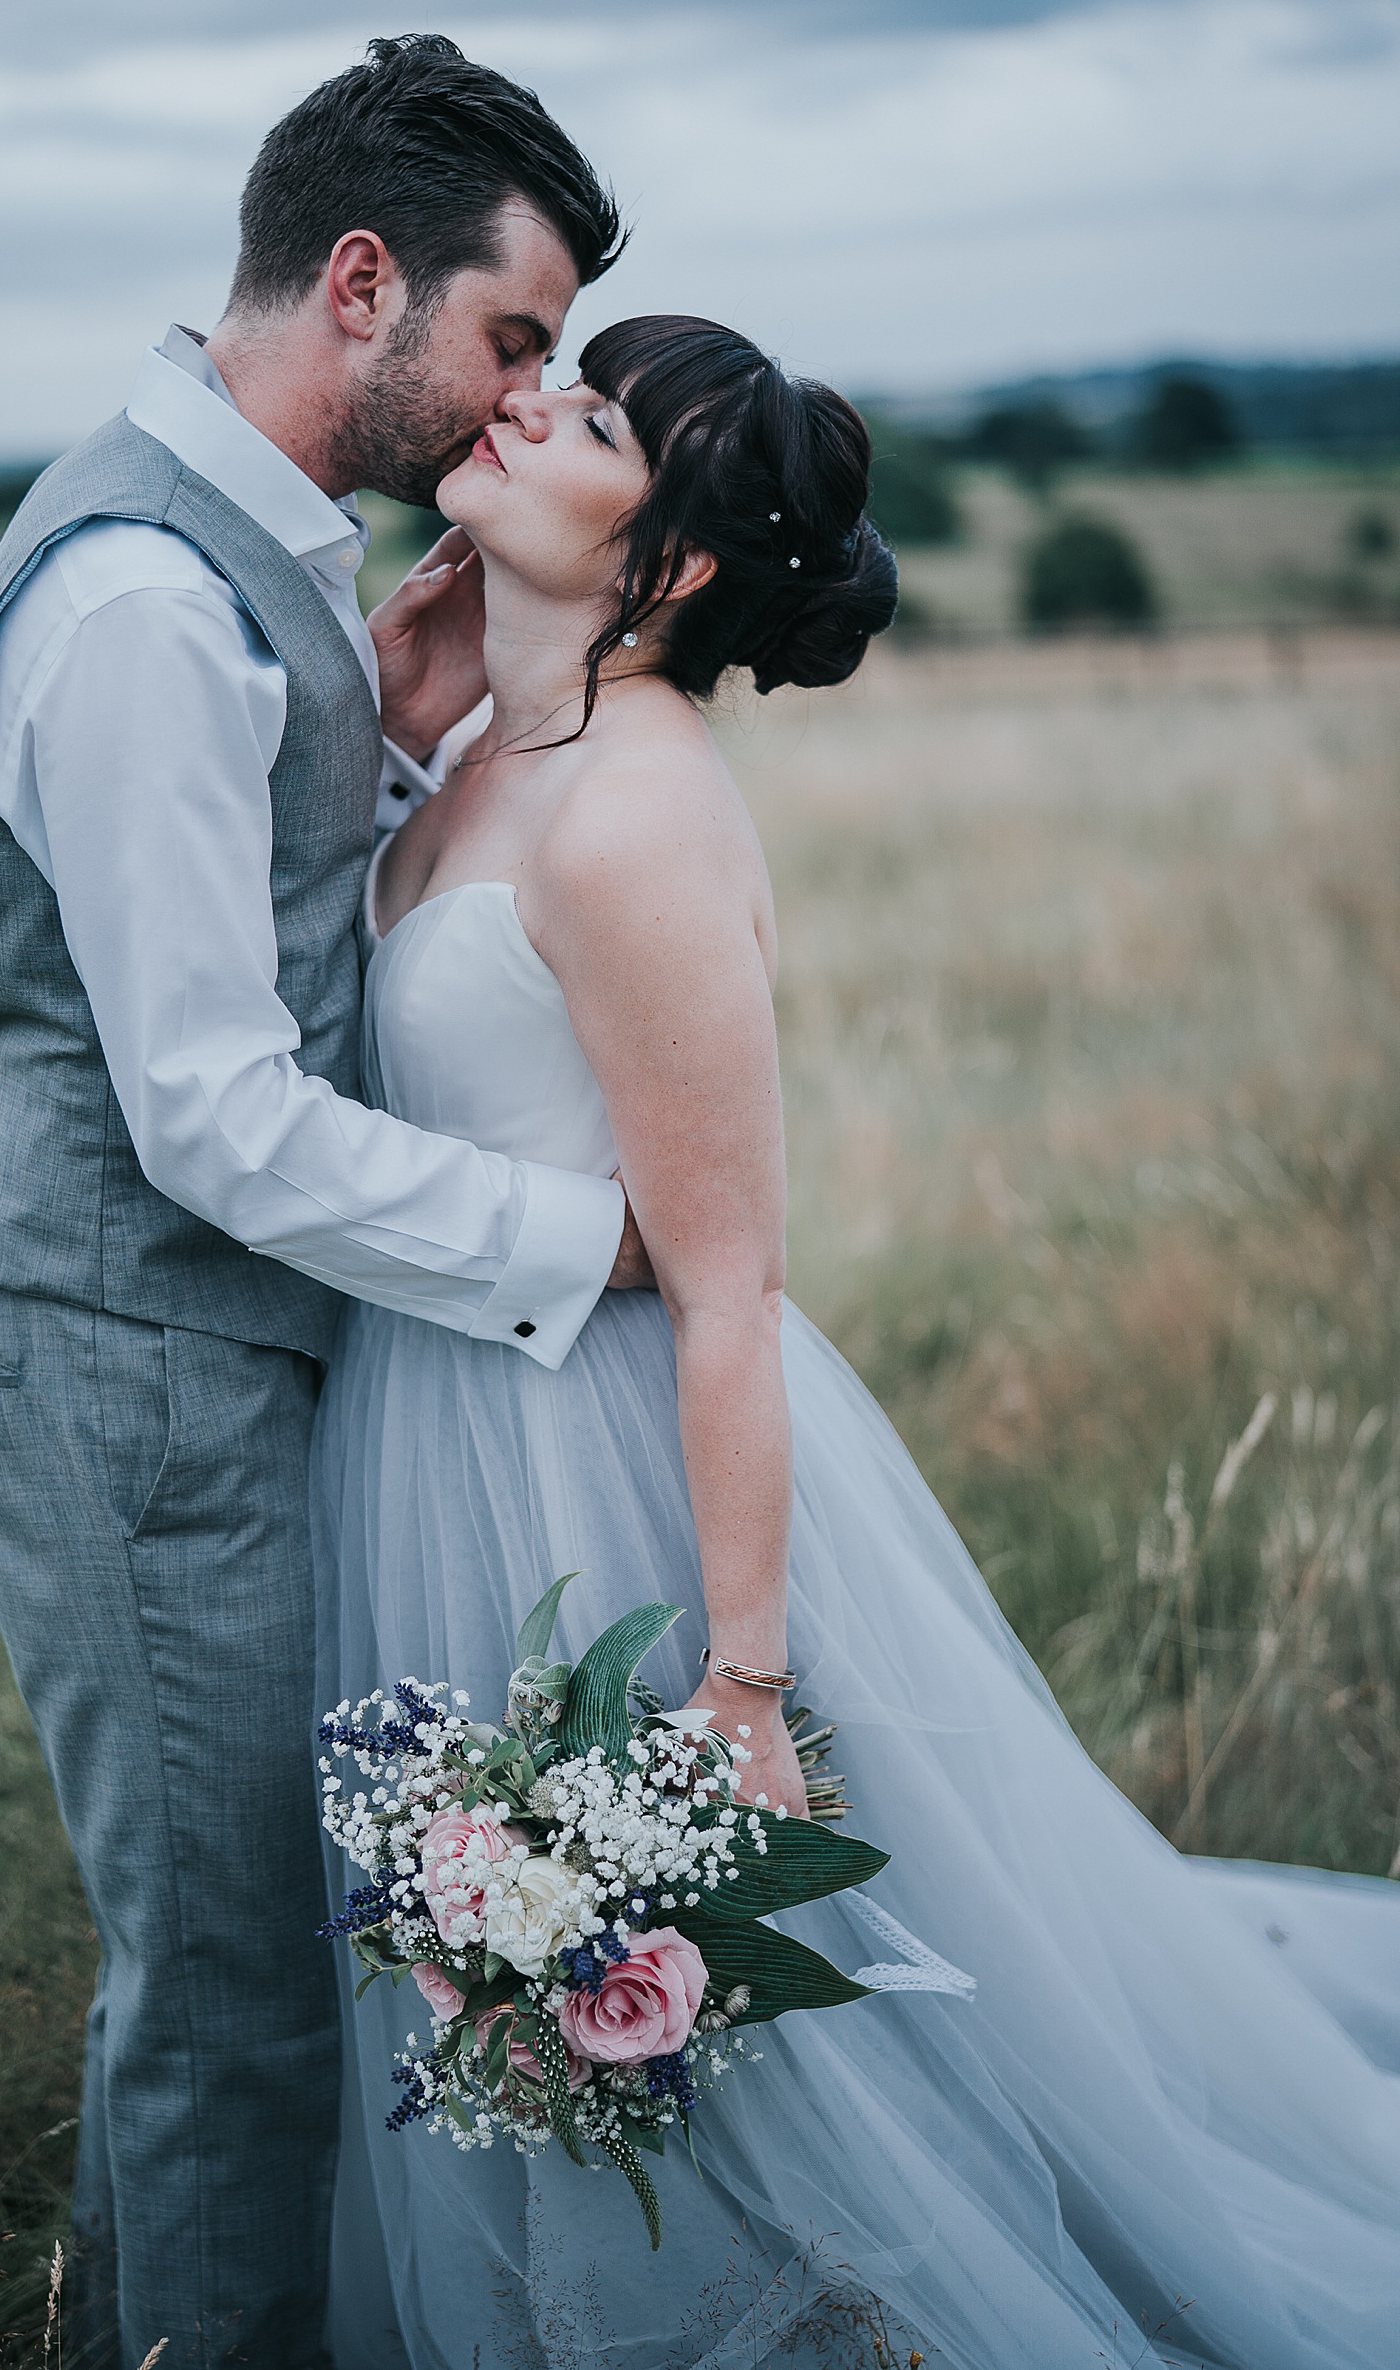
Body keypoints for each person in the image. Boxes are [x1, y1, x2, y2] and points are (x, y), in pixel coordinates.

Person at [304, 315, 1400, 2368]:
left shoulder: (633, 821)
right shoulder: (478, 745)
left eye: (594, 412)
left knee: (700, 1999)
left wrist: (740, 1675)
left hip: (596, 1461)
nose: (522, 399)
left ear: (679, 571)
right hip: (425, 1421)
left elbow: (730, 1287)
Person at [0, 35, 653, 2370]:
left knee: (243, 1952)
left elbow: (179, 913)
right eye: (512, 338)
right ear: (364, 282)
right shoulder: (152, 593)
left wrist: (408, 714)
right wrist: (582, 1246)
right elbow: (215, 1120)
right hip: (129, 1352)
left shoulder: (259, 558)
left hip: (202, 1336)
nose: (524, 397)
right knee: (231, 1977)